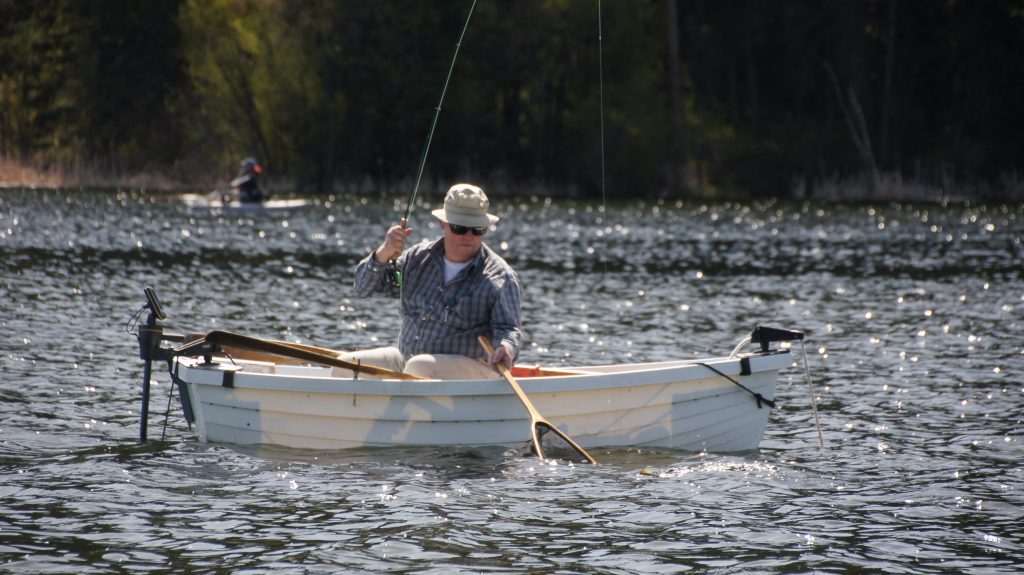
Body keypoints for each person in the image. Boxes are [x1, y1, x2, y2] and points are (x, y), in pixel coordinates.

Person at [348, 183, 523, 380]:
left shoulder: (501, 277)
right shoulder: (416, 259)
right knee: (346, 364)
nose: (468, 236)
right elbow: (362, 288)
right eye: (460, 228)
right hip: (408, 362)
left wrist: (505, 348)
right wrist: (384, 252)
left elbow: (509, 329)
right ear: (443, 224)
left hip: (476, 371)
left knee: (419, 367)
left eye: (477, 230)